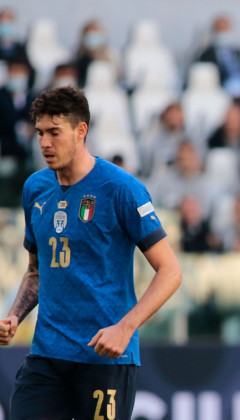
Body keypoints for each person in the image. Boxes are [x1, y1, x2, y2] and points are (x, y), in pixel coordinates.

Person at [0, 86, 182, 420]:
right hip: (47, 356)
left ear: (81, 130)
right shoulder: (35, 189)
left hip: (104, 358)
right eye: (40, 133)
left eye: (55, 132)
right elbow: (37, 269)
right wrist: (15, 315)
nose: (44, 143)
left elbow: (170, 271)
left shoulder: (121, 189)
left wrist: (125, 328)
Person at [196, 14, 240, 99]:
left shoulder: (239, 51)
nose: (223, 33)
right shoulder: (207, 54)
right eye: (220, 29)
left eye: (225, 29)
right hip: (222, 87)